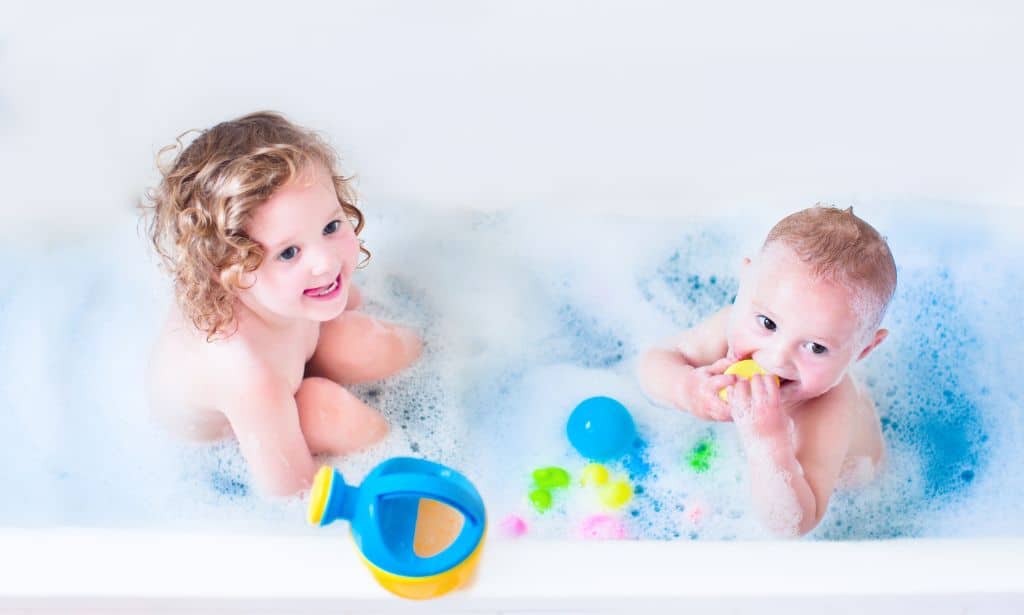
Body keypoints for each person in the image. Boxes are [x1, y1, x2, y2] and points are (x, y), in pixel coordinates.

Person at [144, 111, 422, 496]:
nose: (325, 261)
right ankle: (411, 470)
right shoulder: (246, 374)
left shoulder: (293, 284)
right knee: (328, 411)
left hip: (287, 353)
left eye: (331, 227)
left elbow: (346, 299)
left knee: (372, 344)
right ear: (233, 273)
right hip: (248, 425)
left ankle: (456, 368)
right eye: (289, 252)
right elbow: (290, 491)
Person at [638, 205, 896, 536]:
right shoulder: (727, 325)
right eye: (768, 323)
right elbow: (652, 363)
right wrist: (685, 388)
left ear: (864, 350)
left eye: (816, 347)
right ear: (744, 282)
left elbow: (794, 524)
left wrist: (767, 441)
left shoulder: (830, 407)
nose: (775, 359)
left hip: (854, 483)